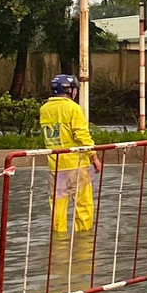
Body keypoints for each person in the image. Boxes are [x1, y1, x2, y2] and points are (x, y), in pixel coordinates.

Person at [38, 74, 97, 235]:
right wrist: (94, 156)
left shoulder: (44, 109)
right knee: (83, 206)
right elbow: (82, 136)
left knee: (57, 208)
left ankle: (58, 242)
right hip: (77, 164)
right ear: (70, 90)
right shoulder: (73, 108)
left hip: (55, 166)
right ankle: (84, 241)